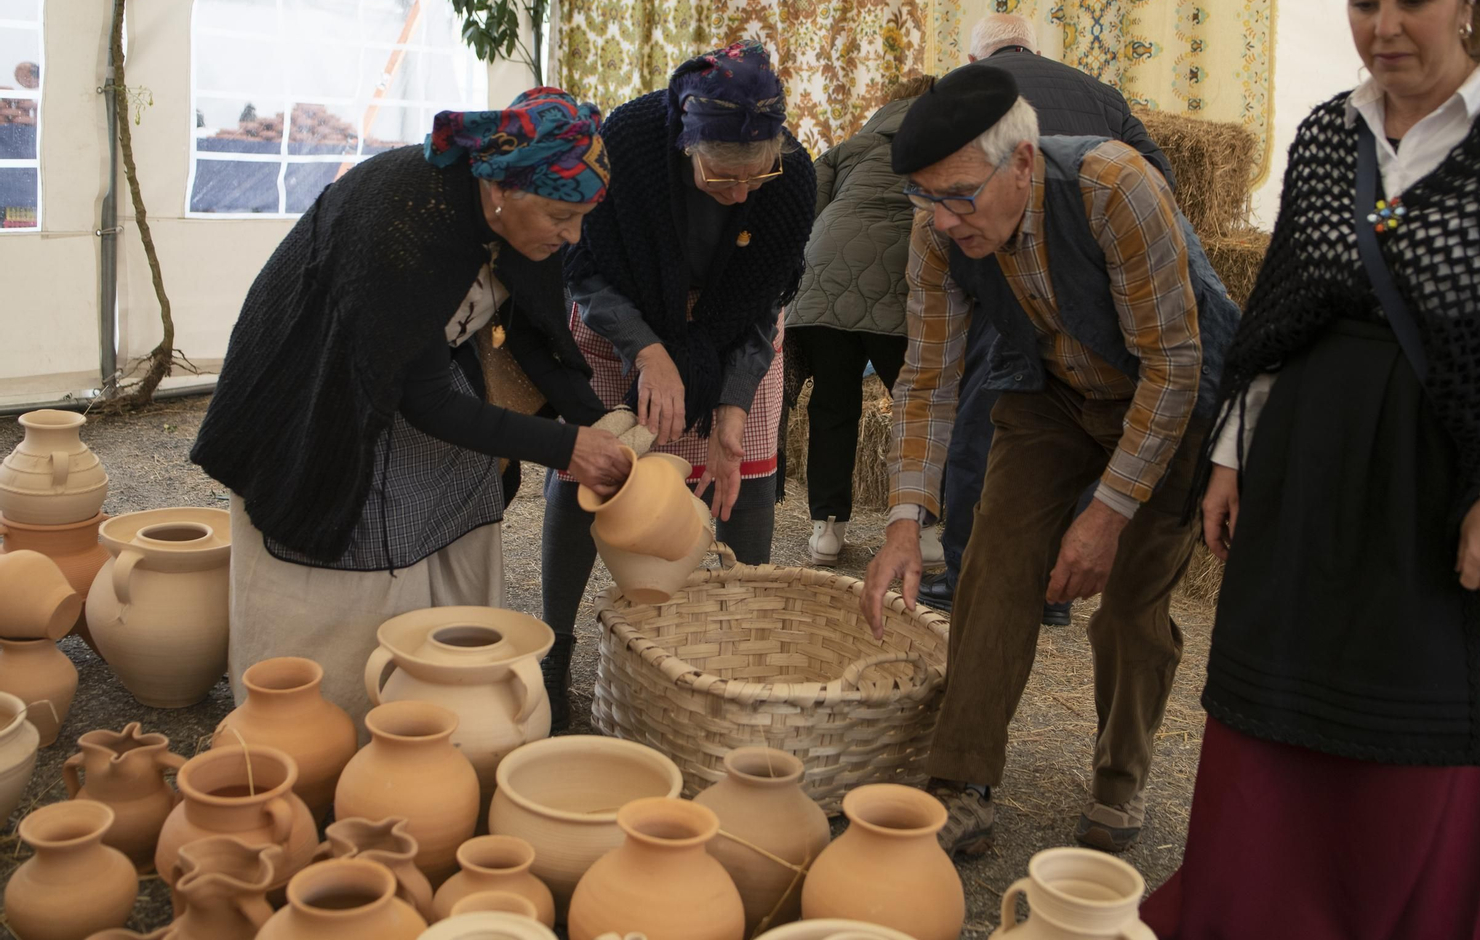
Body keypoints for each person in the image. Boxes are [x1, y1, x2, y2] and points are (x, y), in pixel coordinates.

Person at [1142, 0, 1480, 936]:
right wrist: (1230, 456)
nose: (1382, 27)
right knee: (1278, 703)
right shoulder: (1325, 136)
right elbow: (1281, 312)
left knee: (1423, 723)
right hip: (1308, 471)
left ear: (1470, 5)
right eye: (1361, 2)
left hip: (1445, 486)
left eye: (1411, 1)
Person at [861, 64, 1239, 855]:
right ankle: (961, 781)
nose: (942, 219)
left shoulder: (1114, 189)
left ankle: (1117, 775)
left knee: (1132, 601)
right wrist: (903, 520)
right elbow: (927, 377)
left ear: (1024, 161)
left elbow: (1174, 366)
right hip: (1053, 392)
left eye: (959, 194)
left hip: (1171, 398)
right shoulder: (938, 231)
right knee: (993, 561)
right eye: (925, 198)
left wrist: (1107, 515)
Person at [190, 89, 631, 723]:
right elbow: (424, 400)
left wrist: (593, 420)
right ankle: (333, 713)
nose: (574, 235)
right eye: (564, 216)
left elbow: (531, 330)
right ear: (504, 189)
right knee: (340, 509)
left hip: (404, 364)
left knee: (461, 475)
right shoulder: (405, 223)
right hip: (318, 380)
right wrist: (568, 450)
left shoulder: (513, 212)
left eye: (584, 216)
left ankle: (443, 685)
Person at [540, 41, 818, 730]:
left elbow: (763, 301)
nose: (741, 193)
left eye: (755, 177)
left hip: (735, 330)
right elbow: (586, 271)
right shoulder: (626, 149)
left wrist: (731, 404)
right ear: (685, 142)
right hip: (623, 316)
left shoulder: (791, 175)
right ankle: (555, 650)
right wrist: (651, 352)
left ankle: (741, 653)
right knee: (594, 468)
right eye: (722, 178)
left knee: (743, 478)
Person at [916, 13, 1175, 622]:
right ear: (1033, 47)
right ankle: (1055, 595)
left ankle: (965, 577)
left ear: (980, 59)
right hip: (1095, 284)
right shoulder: (1099, 91)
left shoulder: (963, 87)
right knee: (1080, 432)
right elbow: (1159, 175)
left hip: (999, 274)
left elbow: (937, 181)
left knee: (985, 420)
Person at [787, 74, 936, 565]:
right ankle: (930, 529)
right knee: (920, 411)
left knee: (833, 405)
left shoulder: (850, 147)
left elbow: (807, 210)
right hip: (899, 283)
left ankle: (826, 529)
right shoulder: (944, 143)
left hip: (825, 279)